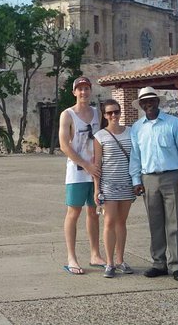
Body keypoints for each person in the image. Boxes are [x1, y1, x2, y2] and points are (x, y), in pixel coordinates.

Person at [129, 86, 178, 282]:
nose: (148, 104)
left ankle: (176, 265)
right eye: (145, 102)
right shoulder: (137, 128)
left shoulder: (173, 123)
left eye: (152, 100)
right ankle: (158, 263)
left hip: (172, 176)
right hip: (149, 178)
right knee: (155, 223)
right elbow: (135, 156)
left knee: (174, 223)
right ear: (141, 105)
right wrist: (136, 180)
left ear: (158, 102)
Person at [58, 76, 105, 275]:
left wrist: (97, 165)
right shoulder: (67, 115)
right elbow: (64, 145)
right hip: (77, 171)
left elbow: (102, 138)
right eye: (80, 89)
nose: (84, 92)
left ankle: (95, 253)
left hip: (94, 170)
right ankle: (72, 257)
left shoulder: (96, 112)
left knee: (93, 212)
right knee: (73, 213)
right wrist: (85, 164)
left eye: (87, 88)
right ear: (74, 92)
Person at [93, 99, 136, 278]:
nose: (114, 116)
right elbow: (97, 164)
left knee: (122, 222)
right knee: (109, 222)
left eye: (116, 112)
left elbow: (136, 157)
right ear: (104, 115)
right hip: (109, 185)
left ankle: (120, 259)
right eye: (110, 113)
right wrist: (97, 189)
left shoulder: (131, 132)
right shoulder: (100, 136)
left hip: (127, 183)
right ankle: (109, 262)